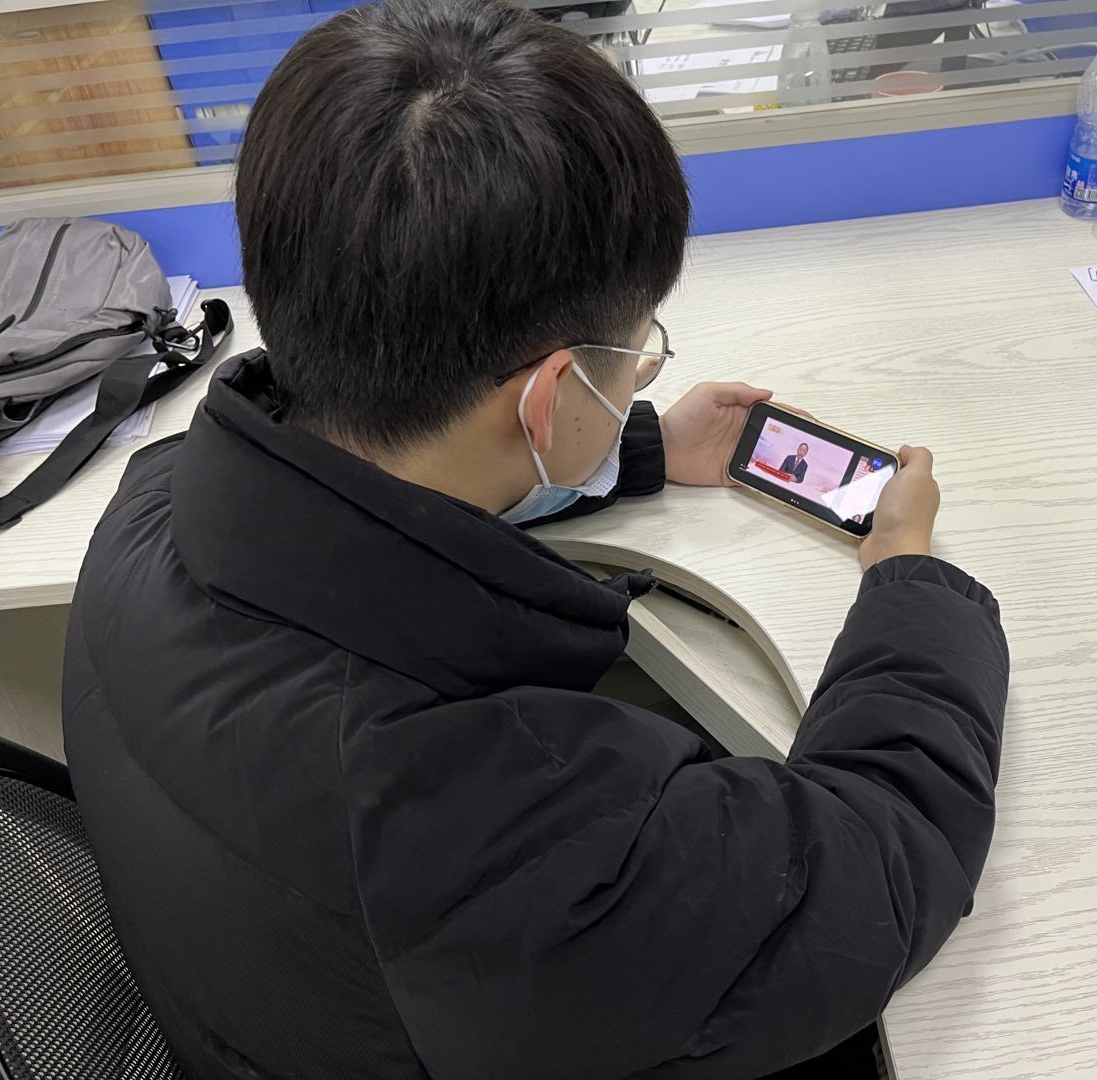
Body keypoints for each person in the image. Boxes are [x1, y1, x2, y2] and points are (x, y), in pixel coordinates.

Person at [61, 1, 1009, 1078]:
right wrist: (911, 585)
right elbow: (881, 856)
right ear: (550, 400)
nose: (639, 375)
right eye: (636, 356)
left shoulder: (153, 499)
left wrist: (633, 448)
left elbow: (381, 489)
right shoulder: (501, 834)